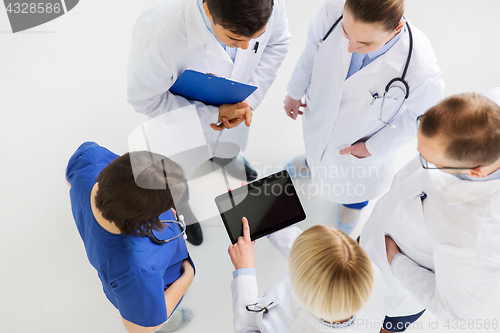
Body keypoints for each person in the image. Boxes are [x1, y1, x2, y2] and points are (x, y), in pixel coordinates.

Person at [128, 0, 291, 244]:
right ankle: (180, 207)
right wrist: (212, 116)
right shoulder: (158, 32)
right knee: (174, 177)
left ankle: (225, 158)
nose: (247, 47)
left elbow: (279, 43)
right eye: (235, 38)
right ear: (206, 7)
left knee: (229, 146)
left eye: (256, 37)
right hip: (179, 130)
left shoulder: (267, 5)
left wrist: (247, 103)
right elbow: (145, 101)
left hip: (236, 116)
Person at [283, 0, 444, 234]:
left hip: (363, 141)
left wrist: (373, 147)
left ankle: (353, 204)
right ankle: (310, 163)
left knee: (353, 183)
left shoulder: (420, 66)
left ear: (397, 29)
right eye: (346, 32)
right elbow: (312, 47)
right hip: (320, 109)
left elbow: (425, 118)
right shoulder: (334, 9)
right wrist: (295, 91)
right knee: (317, 145)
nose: (350, 47)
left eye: (365, 43)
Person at [359, 89, 500, 332]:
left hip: (397, 289)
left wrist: (395, 261)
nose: (417, 152)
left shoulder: (478, 239)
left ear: (476, 173)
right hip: (375, 234)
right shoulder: (483, 117)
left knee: (384, 325)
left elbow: (457, 315)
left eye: (429, 160)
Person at [66, 142, 195, 333]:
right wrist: (187, 278)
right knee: (155, 314)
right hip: (158, 287)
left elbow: (71, 179)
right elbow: (140, 328)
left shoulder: (90, 159)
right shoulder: (136, 272)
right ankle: (170, 321)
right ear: (144, 220)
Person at [229, 218, 386, 332]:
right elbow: (323, 257)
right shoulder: (372, 275)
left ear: (300, 290)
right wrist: (268, 220)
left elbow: (247, 329)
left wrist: (244, 271)